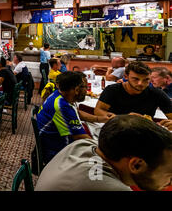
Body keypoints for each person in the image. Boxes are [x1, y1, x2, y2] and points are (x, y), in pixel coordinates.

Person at [35, 115, 172, 191]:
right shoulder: (108, 188)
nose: (170, 181)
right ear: (136, 165)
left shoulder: (87, 145)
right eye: (170, 175)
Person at [37, 71, 92, 163]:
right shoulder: (62, 106)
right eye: (84, 87)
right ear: (76, 90)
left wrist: (100, 119)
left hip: (50, 143)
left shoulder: (58, 95)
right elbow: (80, 137)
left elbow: (76, 114)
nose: (86, 90)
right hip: (57, 153)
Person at [95, 61, 172, 121]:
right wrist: (123, 118)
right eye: (136, 79)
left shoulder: (156, 93)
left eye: (146, 80)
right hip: (116, 128)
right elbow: (98, 110)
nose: (140, 83)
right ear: (126, 76)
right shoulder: (112, 90)